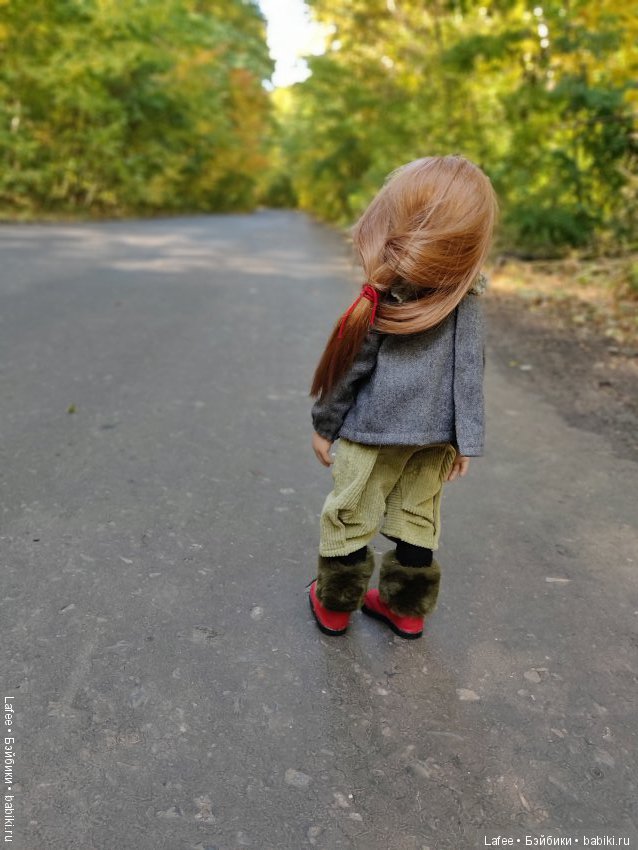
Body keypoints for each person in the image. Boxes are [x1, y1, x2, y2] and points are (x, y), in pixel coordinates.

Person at [307, 154, 499, 639]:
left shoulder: (385, 294)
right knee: (418, 516)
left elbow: (352, 368)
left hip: (372, 431)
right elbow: (469, 369)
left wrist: (325, 424)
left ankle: (335, 603)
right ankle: (406, 609)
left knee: (351, 510)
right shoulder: (468, 296)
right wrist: (463, 438)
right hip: (433, 436)